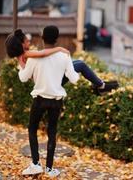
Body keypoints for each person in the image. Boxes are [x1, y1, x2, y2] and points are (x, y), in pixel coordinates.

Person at [17, 25, 79, 177]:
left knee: (32, 129)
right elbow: (74, 79)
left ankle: (36, 164)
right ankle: (50, 169)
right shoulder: (64, 56)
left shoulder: (34, 57)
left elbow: (24, 78)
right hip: (56, 101)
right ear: (57, 39)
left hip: (39, 100)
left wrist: (20, 64)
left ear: (42, 37)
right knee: (52, 132)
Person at [5, 29, 118, 94]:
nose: (29, 42)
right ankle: (101, 86)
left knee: (77, 64)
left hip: (48, 79)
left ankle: (99, 84)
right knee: (81, 65)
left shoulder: (21, 57)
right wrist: (59, 49)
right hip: (51, 82)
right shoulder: (26, 54)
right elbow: (43, 53)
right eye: (27, 41)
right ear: (21, 44)